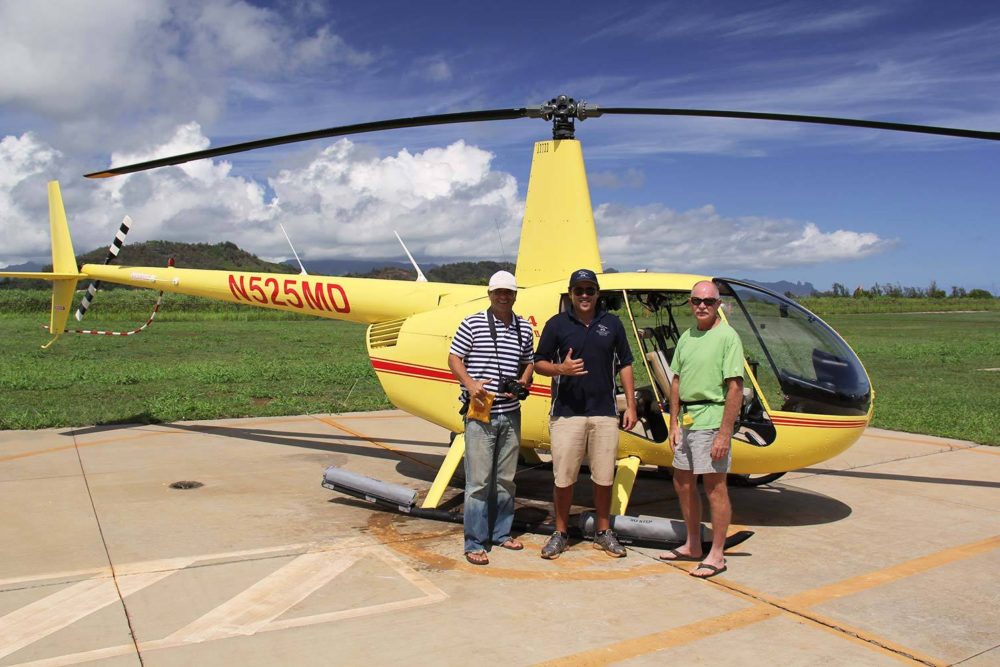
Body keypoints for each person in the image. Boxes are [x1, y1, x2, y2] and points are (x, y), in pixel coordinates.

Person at [534, 269, 637, 559]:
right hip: (567, 414)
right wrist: (560, 369)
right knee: (564, 477)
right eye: (578, 291)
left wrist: (630, 404)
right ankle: (561, 532)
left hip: (604, 412)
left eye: (589, 290)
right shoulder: (557, 324)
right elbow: (539, 362)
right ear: (571, 294)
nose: (584, 296)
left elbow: (625, 364)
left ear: (597, 294)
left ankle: (603, 532)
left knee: (604, 476)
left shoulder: (612, 324)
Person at [447, 270, 535, 566]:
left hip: (510, 414)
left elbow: (529, 362)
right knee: (479, 481)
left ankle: (500, 533)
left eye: (508, 292)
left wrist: (522, 383)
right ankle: (474, 541)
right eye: (498, 292)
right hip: (481, 414)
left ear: (514, 296)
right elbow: (454, 358)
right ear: (490, 294)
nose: (503, 296)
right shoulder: (472, 323)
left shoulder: (523, 327)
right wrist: (471, 385)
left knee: (506, 479)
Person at [660, 280, 744, 579]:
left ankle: (717, 554)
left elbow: (735, 387)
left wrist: (724, 432)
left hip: (712, 417)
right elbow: (676, 382)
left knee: (714, 486)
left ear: (718, 304)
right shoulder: (687, 337)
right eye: (697, 301)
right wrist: (673, 422)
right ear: (690, 303)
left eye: (708, 301)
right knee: (682, 480)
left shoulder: (727, 337)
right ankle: (693, 544)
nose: (702, 306)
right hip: (688, 420)